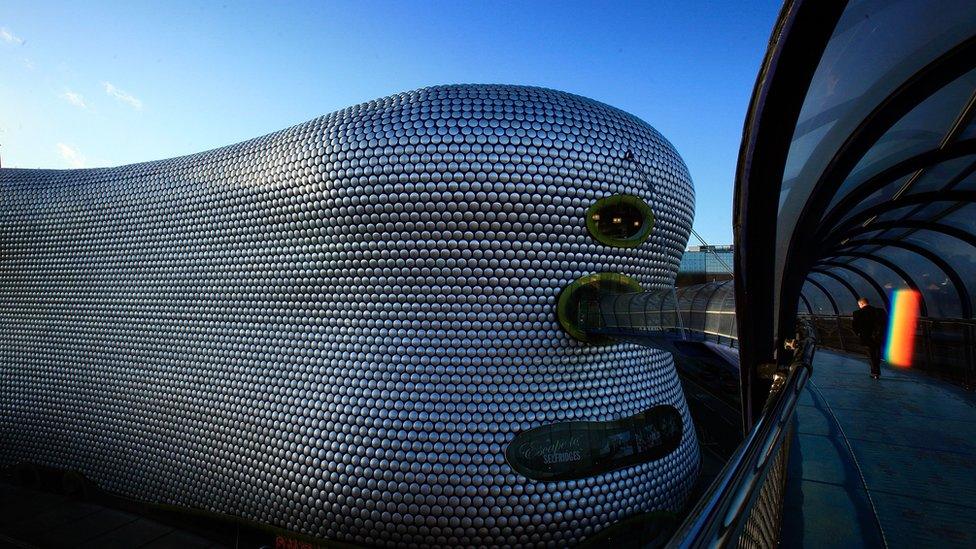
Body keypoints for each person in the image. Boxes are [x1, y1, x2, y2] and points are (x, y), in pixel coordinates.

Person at [852, 297, 888, 379]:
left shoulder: (857, 313)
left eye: (859, 305)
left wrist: (858, 334)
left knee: (871, 354)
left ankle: (875, 372)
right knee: (877, 352)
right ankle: (876, 370)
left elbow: (854, 326)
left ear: (861, 304)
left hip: (866, 337)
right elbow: (884, 323)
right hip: (878, 336)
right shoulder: (879, 311)